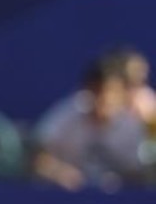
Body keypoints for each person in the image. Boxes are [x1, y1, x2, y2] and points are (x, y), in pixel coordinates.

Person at [33, 56, 149, 190]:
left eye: (112, 91)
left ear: (122, 93)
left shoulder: (132, 126)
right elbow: (39, 156)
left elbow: (142, 173)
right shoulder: (68, 114)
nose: (105, 98)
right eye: (98, 91)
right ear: (87, 89)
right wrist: (59, 172)